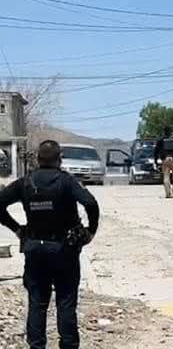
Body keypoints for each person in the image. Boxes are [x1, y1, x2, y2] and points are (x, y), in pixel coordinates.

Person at [0, 140, 100, 349]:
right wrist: (91, 231)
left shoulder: (25, 182)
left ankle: (36, 346)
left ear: (37, 159)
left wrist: (17, 229)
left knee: (37, 302)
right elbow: (90, 203)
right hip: (63, 249)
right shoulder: (66, 181)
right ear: (59, 159)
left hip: (35, 247)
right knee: (66, 302)